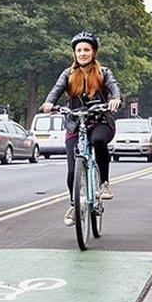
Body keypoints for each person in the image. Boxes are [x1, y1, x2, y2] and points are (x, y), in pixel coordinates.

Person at [41, 32, 122, 227]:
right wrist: (48, 103)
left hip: (100, 121)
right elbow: (56, 90)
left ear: (93, 52)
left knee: (98, 141)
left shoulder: (103, 72)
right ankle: (74, 204)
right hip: (75, 123)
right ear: (74, 53)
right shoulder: (68, 74)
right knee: (71, 171)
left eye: (86, 49)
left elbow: (114, 87)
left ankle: (103, 184)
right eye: (79, 50)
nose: (83, 53)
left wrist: (115, 98)